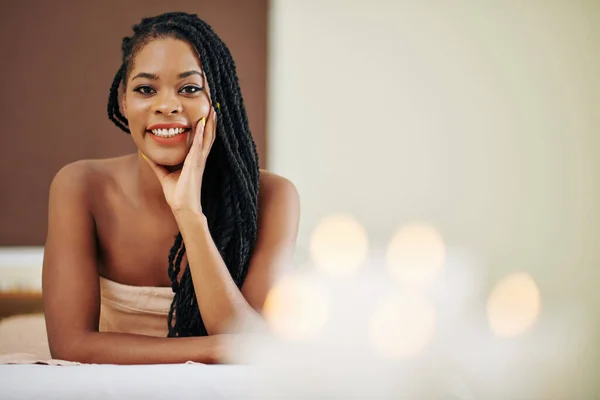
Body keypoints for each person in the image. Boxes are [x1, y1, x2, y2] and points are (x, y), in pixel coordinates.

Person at [41, 11, 300, 365]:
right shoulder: (79, 187)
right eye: (146, 89)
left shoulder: (273, 197)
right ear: (123, 101)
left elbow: (250, 349)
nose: (166, 105)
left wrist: (189, 215)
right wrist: (216, 349)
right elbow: (70, 346)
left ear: (217, 101)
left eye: (190, 88)